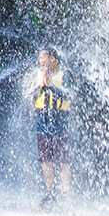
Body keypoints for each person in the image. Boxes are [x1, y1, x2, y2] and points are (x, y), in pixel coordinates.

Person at [27, 47, 72, 207]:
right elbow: (29, 95)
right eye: (39, 59)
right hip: (43, 119)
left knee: (63, 159)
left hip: (60, 119)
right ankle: (50, 192)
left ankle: (66, 194)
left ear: (52, 58)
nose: (41, 62)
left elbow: (69, 94)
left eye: (43, 58)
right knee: (45, 158)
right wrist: (40, 86)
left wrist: (50, 86)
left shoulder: (64, 75)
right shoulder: (38, 75)